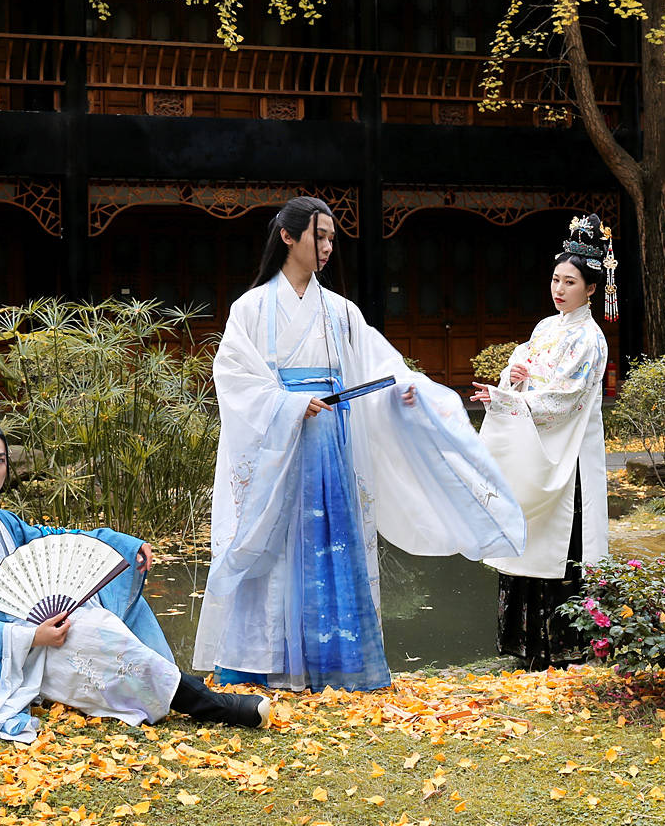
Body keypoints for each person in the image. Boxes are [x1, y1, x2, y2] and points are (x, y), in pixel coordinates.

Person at [196, 196, 526, 692]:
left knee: (332, 540)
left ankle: (335, 658)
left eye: (332, 238)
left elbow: (377, 365)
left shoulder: (341, 311)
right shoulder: (251, 307)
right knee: (277, 544)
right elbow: (235, 377)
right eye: (319, 236)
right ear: (288, 237)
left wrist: (403, 386)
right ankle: (262, 660)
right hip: (281, 449)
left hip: (332, 442)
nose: (328, 247)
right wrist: (288, 405)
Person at [0, 417, 269, 742]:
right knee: (91, 634)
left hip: (36, 632)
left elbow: (54, 539)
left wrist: (125, 547)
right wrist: (31, 635)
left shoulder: (3, 520)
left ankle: (185, 691)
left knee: (102, 607)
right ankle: (208, 703)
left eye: (0, 460)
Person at [473, 214, 615, 668]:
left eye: (570, 282)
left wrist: (518, 396)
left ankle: (563, 648)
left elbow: (566, 398)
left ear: (591, 288)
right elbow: (525, 375)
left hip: (567, 454)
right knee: (529, 537)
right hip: (536, 450)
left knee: (562, 543)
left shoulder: (590, 339)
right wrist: (511, 381)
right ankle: (527, 645)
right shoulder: (545, 328)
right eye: (556, 279)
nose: (559, 289)